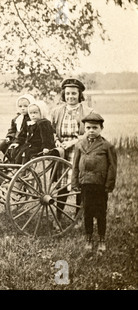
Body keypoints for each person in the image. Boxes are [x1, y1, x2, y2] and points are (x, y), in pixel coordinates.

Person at [71, 112, 117, 253]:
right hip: (86, 184)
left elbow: (112, 167)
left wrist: (109, 184)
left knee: (101, 212)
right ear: (85, 129)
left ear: (101, 129)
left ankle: (102, 239)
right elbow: (75, 165)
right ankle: (89, 238)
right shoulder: (80, 145)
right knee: (87, 212)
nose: (91, 130)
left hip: (100, 185)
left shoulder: (107, 146)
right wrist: (75, 182)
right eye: (88, 127)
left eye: (95, 128)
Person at [50, 78, 94, 221]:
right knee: (61, 185)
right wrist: (57, 142)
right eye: (68, 94)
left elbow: (90, 133)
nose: (70, 97)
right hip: (62, 152)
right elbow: (52, 131)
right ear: (64, 95)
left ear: (79, 94)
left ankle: (78, 218)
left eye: (74, 94)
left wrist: (73, 142)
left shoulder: (87, 111)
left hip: (80, 151)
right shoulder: (57, 111)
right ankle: (58, 217)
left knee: (79, 184)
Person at [9, 100, 55, 164]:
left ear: (41, 112)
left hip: (39, 147)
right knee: (18, 150)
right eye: (31, 113)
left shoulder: (43, 123)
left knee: (27, 152)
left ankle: (22, 170)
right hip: (30, 146)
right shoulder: (29, 123)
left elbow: (47, 137)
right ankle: (15, 166)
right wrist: (18, 142)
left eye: (35, 113)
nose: (33, 115)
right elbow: (23, 135)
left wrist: (46, 147)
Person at [0, 94, 33, 161]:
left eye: (25, 106)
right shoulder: (17, 118)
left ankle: (17, 161)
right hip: (16, 137)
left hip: (24, 139)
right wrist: (9, 137)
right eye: (20, 106)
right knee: (3, 145)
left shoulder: (30, 119)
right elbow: (12, 130)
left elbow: (25, 132)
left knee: (18, 148)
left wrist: (18, 141)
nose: (22, 108)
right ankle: (10, 159)